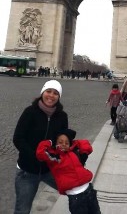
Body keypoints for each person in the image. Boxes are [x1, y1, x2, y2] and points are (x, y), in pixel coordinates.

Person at [13, 80, 68, 214]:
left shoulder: (62, 116)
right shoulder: (30, 112)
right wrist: (35, 156)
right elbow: (18, 138)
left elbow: (62, 140)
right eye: (48, 91)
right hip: (28, 171)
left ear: (59, 96)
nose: (51, 95)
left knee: (76, 190)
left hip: (50, 169)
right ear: (42, 93)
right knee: (22, 210)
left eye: (55, 93)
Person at [36, 129, 101, 214]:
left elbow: (85, 143)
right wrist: (50, 142)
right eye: (60, 142)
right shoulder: (55, 158)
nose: (63, 144)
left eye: (67, 143)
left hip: (89, 191)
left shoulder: (73, 152)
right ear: (55, 144)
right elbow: (40, 152)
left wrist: (80, 149)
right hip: (76, 198)